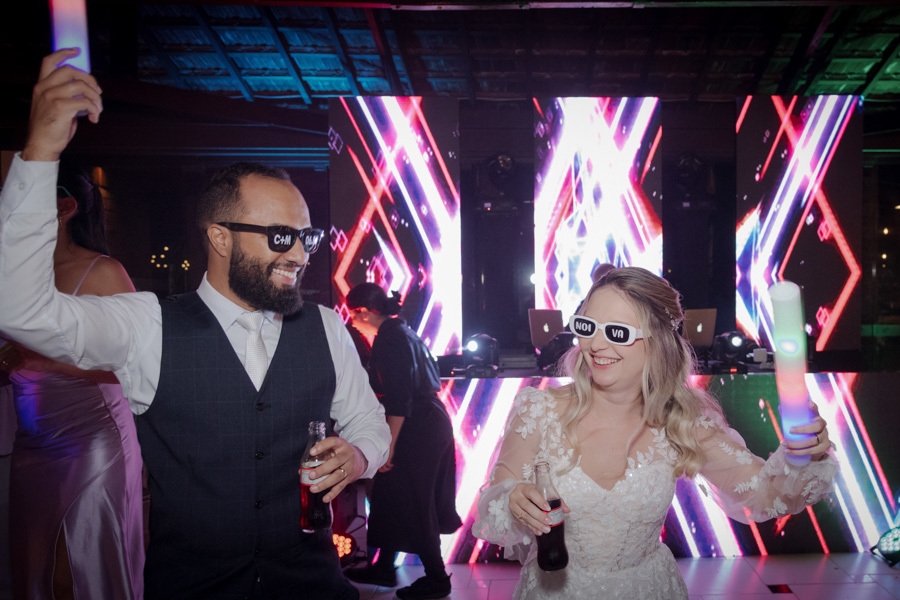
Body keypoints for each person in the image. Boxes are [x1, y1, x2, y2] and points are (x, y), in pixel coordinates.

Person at [0, 49, 390, 600]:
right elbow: (21, 312)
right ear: (221, 237)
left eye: (308, 237)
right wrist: (39, 154)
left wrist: (358, 455)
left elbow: (370, 424)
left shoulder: (326, 327)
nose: (301, 253)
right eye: (282, 236)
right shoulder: (147, 326)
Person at [472, 266, 836, 599]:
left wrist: (803, 454)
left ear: (659, 342)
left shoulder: (683, 421)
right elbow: (494, 500)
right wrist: (513, 499)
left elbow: (764, 493)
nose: (596, 345)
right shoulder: (539, 410)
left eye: (617, 332)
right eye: (587, 326)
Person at [1, 160, 145, 600]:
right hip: (31, 443)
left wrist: (37, 359)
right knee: (33, 568)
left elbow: (134, 364)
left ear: (65, 208)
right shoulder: (14, 281)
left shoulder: (103, 272)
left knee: (76, 571)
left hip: (91, 440)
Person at [343, 283, 462, 600]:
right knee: (393, 496)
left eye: (353, 315)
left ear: (365, 312)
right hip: (426, 421)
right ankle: (383, 567)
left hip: (417, 426)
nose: (351, 321)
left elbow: (399, 399)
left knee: (412, 502)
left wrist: (388, 446)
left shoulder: (389, 338)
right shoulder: (401, 331)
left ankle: (437, 579)